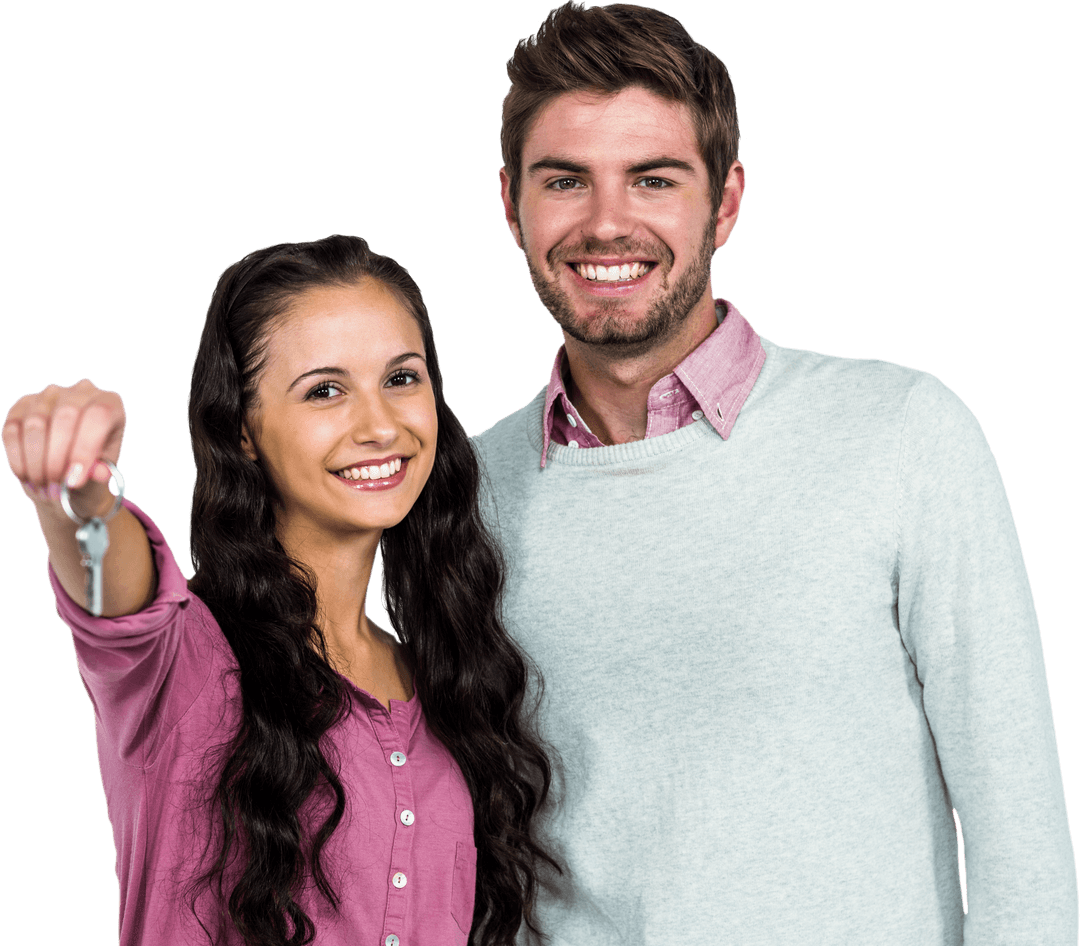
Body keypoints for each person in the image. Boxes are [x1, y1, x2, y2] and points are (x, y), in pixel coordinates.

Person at [472, 3, 1078, 944]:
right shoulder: (461, 489)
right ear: (512, 206)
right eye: (565, 181)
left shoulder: (902, 432)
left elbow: (1019, 839)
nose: (607, 223)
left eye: (653, 179)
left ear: (726, 202)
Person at [2, 235, 559, 946]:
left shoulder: (449, 685)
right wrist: (75, 492)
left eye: (401, 378)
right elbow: (114, 585)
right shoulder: (188, 666)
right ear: (242, 431)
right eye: (325, 390)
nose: (381, 425)